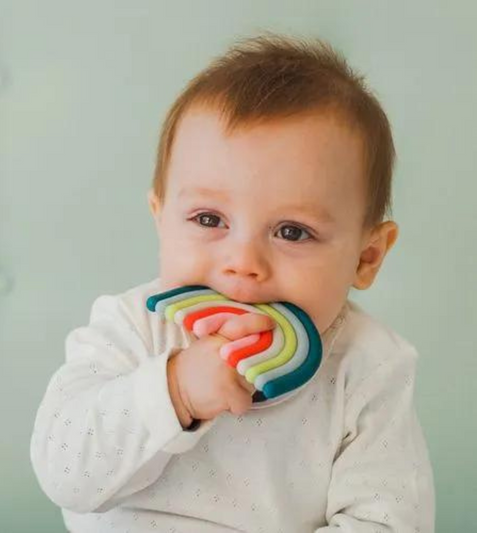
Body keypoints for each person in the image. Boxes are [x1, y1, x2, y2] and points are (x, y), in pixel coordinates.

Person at [30, 33, 436, 532]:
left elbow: (388, 520)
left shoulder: (369, 366)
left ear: (366, 257)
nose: (243, 263)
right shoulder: (133, 328)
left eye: (292, 232)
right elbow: (63, 473)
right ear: (161, 218)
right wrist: (174, 391)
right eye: (208, 219)